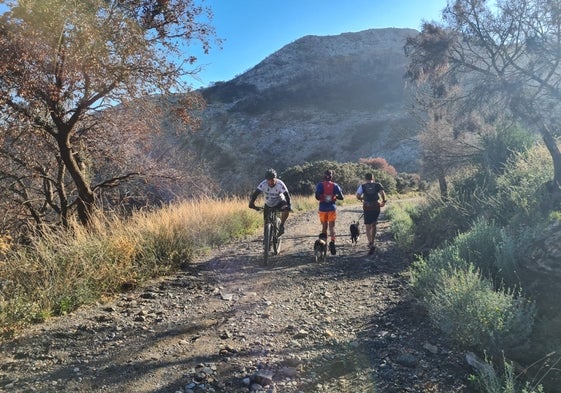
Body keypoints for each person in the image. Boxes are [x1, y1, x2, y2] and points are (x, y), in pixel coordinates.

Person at [249, 168, 291, 235]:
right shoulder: (263, 184)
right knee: (266, 223)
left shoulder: (280, 184)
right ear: (266, 180)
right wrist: (252, 203)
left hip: (279, 202)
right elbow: (255, 194)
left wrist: (289, 205)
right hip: (268, 204)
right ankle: (266, 240)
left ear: (275, 178)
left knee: (286, 209)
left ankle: (281, 225)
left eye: (273, 180)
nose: (271, 182)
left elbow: (287, 196)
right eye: (269, 180)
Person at [356, 172, 387, 255]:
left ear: (365, 179)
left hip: (367, 207)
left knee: (367, 225)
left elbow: (358, 195)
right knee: (374, 224)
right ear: (373, 178)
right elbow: (382, 193)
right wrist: (383, 201)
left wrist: (363, 199)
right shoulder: (378, 185)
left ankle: (370, 242)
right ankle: (373, 241)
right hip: (376, 206)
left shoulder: (362, 186)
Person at [315, 169, 344, 255]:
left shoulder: (320, 185)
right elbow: (342, 197)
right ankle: (332, 242)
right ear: (331, 177)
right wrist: (334, 196)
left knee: (324, 226)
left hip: (322, 209)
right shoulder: (335, 185)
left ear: (324, 176)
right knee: (332, 227)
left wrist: (323, 196)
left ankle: (324, 244)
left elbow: (317, 197)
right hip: (332, 208)